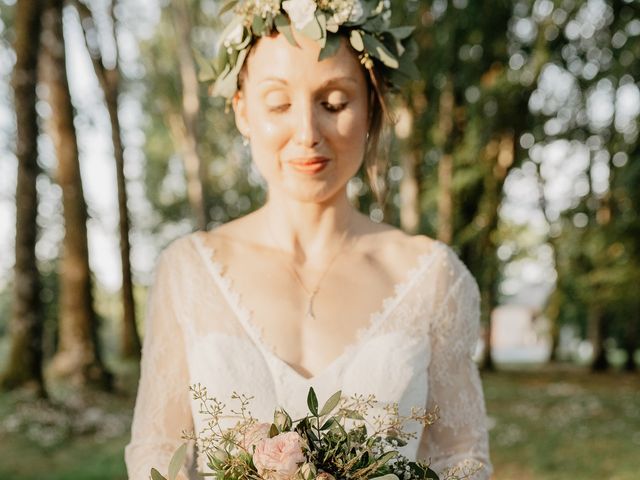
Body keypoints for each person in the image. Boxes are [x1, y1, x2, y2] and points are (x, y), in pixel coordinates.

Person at [125, 1, 492, 479]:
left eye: (334, 103)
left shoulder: (433, 277)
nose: (307, 133)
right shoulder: (188, 271)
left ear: (371, 109)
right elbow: (157, 453)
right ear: (243, 112)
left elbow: (461, 457)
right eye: (278, 104)